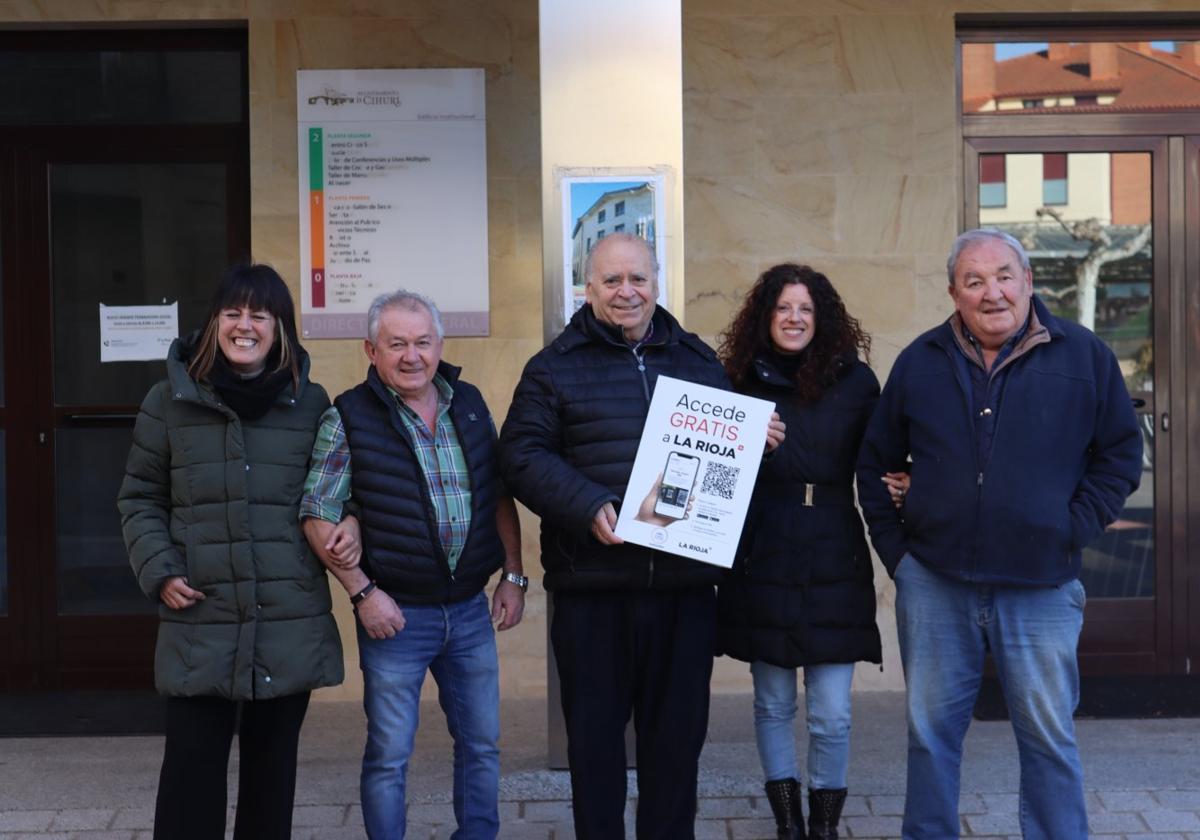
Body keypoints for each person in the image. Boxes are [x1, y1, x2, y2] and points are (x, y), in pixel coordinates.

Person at [856, 229, 1143, 840]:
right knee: (930, 736)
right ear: (954, 292)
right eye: (975, 281)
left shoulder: (1083, 355)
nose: (993, 294)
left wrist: (1072, 526)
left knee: (1048, 737)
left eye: (1004, 276)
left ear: (1029, 280)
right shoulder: (921, 361)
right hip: (935, 583)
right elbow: (873, 462)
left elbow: (1120, 452)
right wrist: (900, 557)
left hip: (1041, 585)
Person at [499, 232, 784, 839]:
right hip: (594, 592)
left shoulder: (698, 359)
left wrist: (753, 441)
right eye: (611, 281)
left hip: (683, 591)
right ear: (588, 286)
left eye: (638, 279)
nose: (626, 292)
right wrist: (588, 503)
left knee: (676, 750)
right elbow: (520, 455)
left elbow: (723, 465)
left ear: (657, 282)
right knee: (595, 751)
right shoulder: (553, 367)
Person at [118, 264, 344, 840]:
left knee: (272, 783)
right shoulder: (167, 401)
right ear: (214, 321)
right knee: (190, 782)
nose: (245, 326)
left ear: (280, 328)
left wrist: (354, 525)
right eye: (233, 313)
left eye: (259, 315)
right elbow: (139, 497)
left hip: (285, 616)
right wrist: (159, 568)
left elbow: (338, 492)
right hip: (201, 615)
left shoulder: (310, 403)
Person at [300, 289, 526, 840]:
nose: (412, 355)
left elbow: (497, 493)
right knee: (389, 756)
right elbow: (316, 512)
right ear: (370, 350)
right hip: (395, 615)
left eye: (422, 342)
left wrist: (514, 575)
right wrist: (362, 593)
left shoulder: (468, 402)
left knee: (481, 745)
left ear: (439, 344)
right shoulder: (347, 415)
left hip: (470, 612)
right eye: (395, 343)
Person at [716, 263, 898, 840]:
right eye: (782, 309)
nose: (793, 319)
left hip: (833, 549)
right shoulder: (738, 381)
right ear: (765, 317)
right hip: (764, 545)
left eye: (805, 310)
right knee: (771, 701)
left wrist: (908, 483)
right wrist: (748, 445)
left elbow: (883, 457)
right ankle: (788, 823)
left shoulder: (856, 381)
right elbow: (710, 474)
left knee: (831, 712)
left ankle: (824, 824)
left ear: (822, 319)